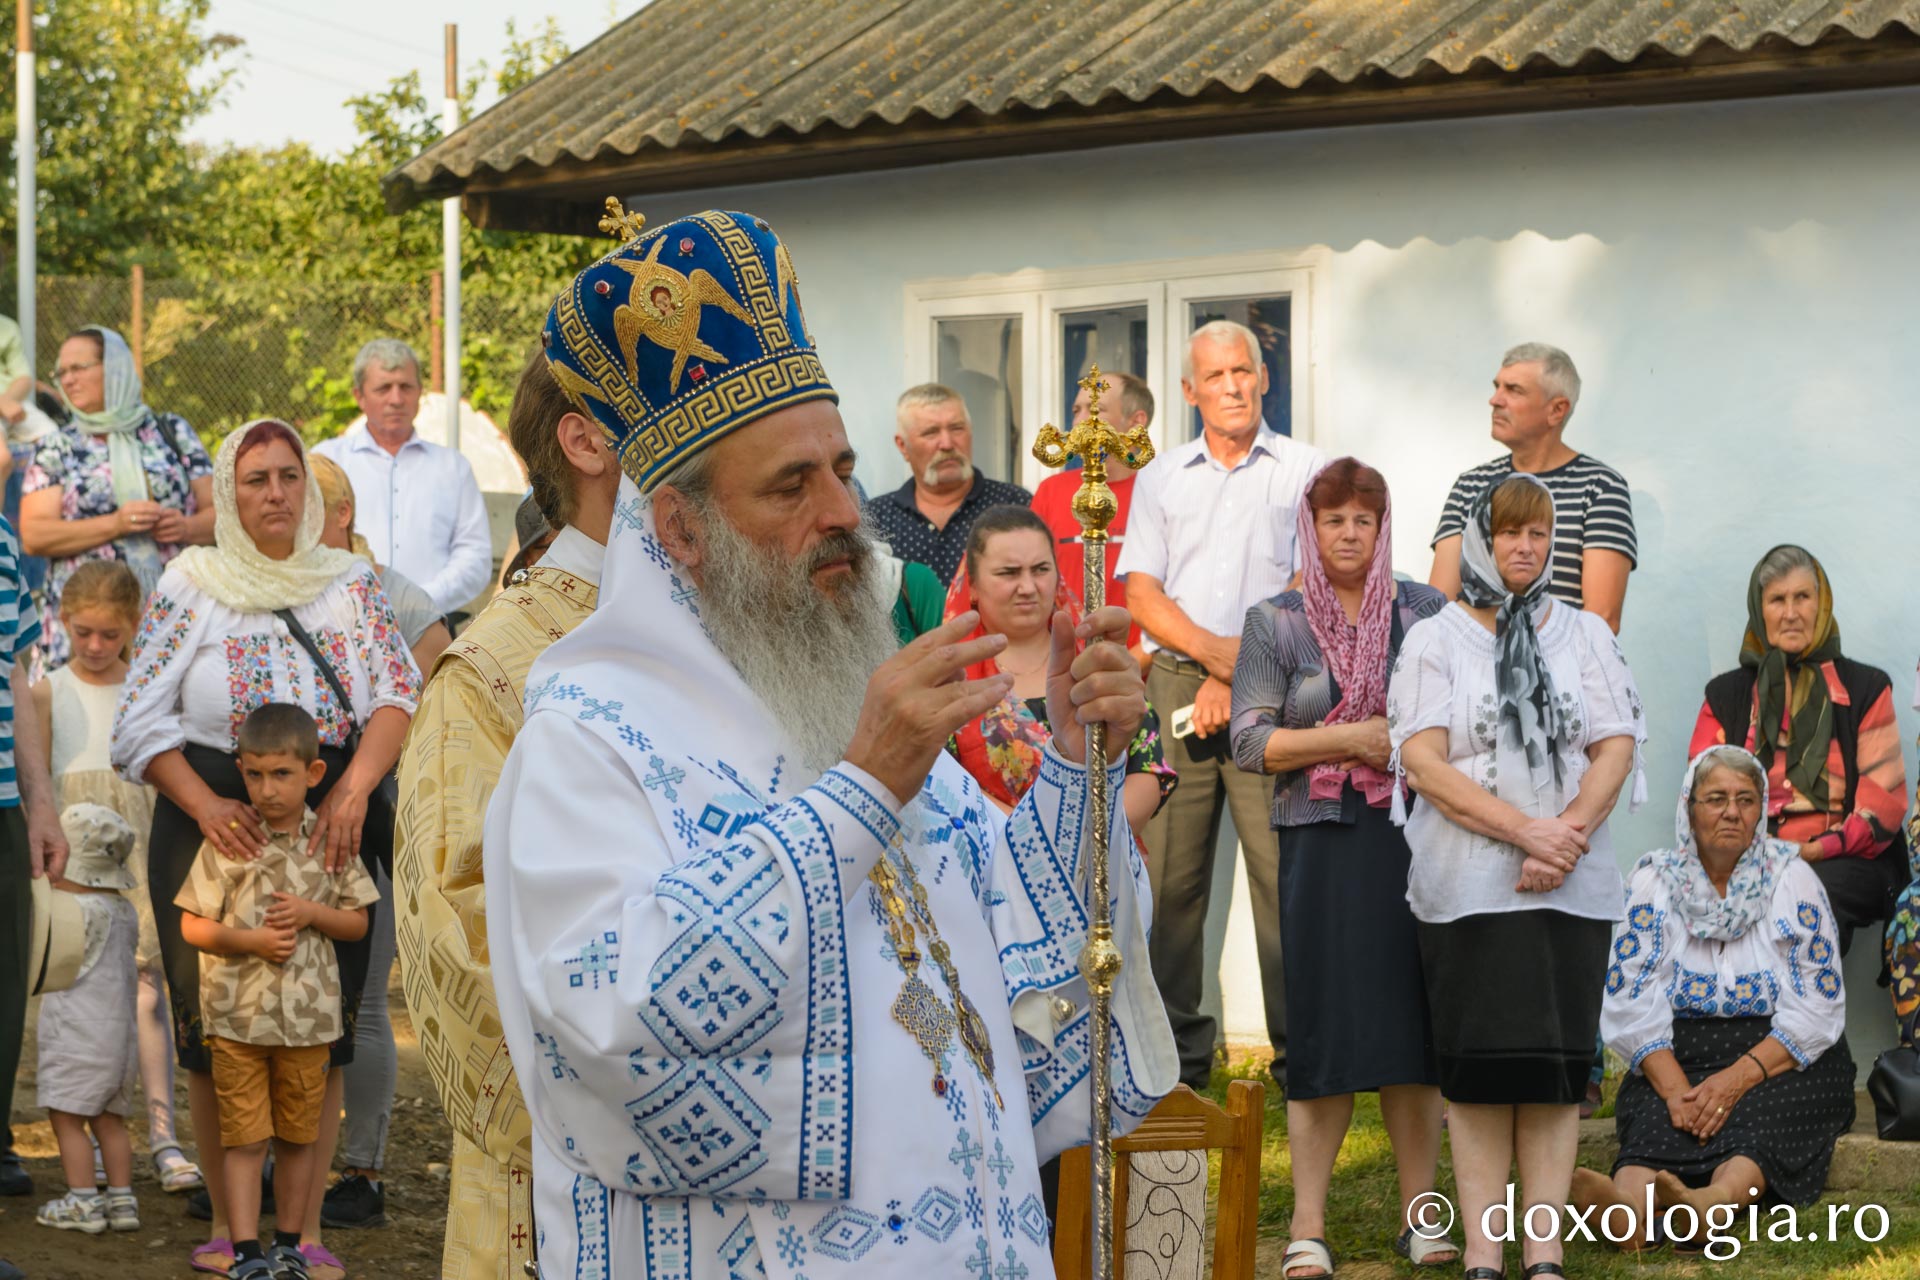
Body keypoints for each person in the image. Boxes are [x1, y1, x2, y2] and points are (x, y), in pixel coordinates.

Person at [483, 207, 1175, 1276]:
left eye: (844, 469)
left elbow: (1027, 972)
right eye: (790, 485)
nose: (846, 511)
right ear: (677, 527)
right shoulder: (591, 738)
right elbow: (614, 1030)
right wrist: (859, 793)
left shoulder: (841, 702)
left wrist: (1078, 766)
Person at [111, 418, 420, 1278]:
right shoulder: (188, 582)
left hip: (331, 822)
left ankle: (306, 1228)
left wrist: (352, 789)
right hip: (213, 821)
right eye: (255, 480)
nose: (276, 493)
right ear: (228, 493)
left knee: (321, 1033)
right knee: (216, 1032)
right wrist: (208, 803)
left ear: (312, 492)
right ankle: (228, 1226)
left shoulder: (350, 584)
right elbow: (139, 720)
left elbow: (398, 690)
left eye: (289, 476)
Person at [394, 347, 619, 1280]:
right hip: (575, 1186)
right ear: (588, 441)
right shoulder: (495, 670)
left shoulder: (742, 629)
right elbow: (462, 940)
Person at [1387, 473, 1646, 1280]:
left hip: (1568, 891)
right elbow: (1423, 761)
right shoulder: (1435, 638)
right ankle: (1482, 1253)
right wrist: (1522, 830)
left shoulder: (1586, 636)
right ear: (1480, 540)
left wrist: (1561, 838)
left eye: (1540, 533)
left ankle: (1543, 1253)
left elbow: (1616, 743)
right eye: (1510, 533)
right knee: (1478, 1079)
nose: (1526, 548)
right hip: (1465, 892)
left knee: (1552, 1076)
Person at [1229, 459, 1453, 1277]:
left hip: (1412, 839)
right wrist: (1348, 740)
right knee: (1320, 1031)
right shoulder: (1277, 621)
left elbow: (1453, 721)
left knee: (1412, 1031)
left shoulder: (1425, 610)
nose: (1351, 534)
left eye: (1366, 519)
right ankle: (1309, 1226)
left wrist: (1398, 743)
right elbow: (1248, 742)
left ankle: (1421, 1219)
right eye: (1335, 521)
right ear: (1311, 529)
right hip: (1318, 841)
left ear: (1384, 525)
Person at [1117, 318, 1327, 1090]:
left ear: (1264, 377)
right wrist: (1212, 661)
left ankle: (1301, 1053)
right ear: (1189, 391)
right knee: (1171, 882)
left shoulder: (1308, 471)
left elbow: (1313, 585)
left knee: (1281, 874)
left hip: (1274, 689)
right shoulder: (1162, 476)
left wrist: (1236, 673)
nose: (1232, 387)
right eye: (1216, 377)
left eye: (1243, 371)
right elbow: (1142, 590)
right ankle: (1176, 1061)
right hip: (1176, 686)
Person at [1573, 745, 1854, 1246]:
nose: (1731, 811)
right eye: (1716, 798)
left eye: (1746, 800)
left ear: (1760, 811)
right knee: (1659, 1117)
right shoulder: (1653, 882)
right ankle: (1625, 1209)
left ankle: (1711, 1205)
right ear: (1690, 809)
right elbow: (1629, 995)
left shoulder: (1793, 880)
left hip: (1779, 1054)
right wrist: (1678, 1091)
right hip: (1676, 1052)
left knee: (1763, 1116)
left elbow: (1818, 1002)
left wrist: (1735, 1079)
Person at [175, 703, 380, 1280]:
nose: (268, 790)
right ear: (240, 769)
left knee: (298, 1138)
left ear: (314, 774)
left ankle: (291, 1246)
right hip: (239, 1024)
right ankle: (245, 1253)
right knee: (244, 1141)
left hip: (309, 1028)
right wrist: (251, 941)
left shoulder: (331, 841)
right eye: (256, 774)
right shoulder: (228, 840)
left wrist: (314, 912)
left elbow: (359, 923)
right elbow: (192, 925)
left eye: (282, 774)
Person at [28, 559, 202, 1194]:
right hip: (76, 867)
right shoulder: (48, 691)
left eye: (109, 635)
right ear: (64, 623)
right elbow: (39, 776)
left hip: (139, 850)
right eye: (83, 634)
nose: (96, 647)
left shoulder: (148, 689)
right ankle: (93, 1128)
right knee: (79, 997)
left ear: (134, 626)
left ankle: (162, 1134)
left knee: (146, 988)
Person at [1689, 544, 1908, 959]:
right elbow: (1704, 800)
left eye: (1802, 597)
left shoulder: (1865, 689)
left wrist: (1809, 852)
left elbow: (1883, 810)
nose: (1791, 612)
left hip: (1844, 859)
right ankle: (1746, 1021)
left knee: (1808, 892)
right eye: (1777, 599)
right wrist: (1757, 856)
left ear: (1821, 605)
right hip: (1744, 857)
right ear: (1760, 609)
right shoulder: (1726, 695)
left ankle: (1808, 1021)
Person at [943, 504, 1175, 828]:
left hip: (1104, 859)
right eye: (1008, 573)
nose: (1027, 587)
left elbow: (1146, 765)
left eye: (1040, 569)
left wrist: (1090, 839)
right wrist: (1039, 842)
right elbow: (946, 787)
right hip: (996, 862)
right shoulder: (951, 681)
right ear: (974, 586)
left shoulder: (1093, 658)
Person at [20, 325, 215, 666]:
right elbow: (35, 534)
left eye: (78, 368)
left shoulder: (171, 431)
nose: (67, 380)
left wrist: (185, 528)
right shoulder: (57, 446)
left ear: (115, 368)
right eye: (61, 372)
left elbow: (220, 516)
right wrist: (116, 524)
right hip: (85, 632)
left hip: (173, 618)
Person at [1428, 342, 1636, 633]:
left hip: (1561, 671)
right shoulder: (1470, 485)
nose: (1495, 400)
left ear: (1556, 410)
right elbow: (1440, 606)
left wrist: (1523, 666)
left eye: (1513, 390)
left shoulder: (1601, 488)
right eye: (1497, 386)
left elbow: (1601, 619)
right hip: (1471, 667)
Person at [311, 338, 492, 617]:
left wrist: (417, 602)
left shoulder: (453, 468)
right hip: (343, 620)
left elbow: (475, 557)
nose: (396, 399)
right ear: (359, 396)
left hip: (431, 625)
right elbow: (306, 541)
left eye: (405, 387)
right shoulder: (327, 462)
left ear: (420, 392)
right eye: (384, 388)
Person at [32, 804, 143, 1237]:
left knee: (66, 1118)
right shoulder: (123, 912)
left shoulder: (74, 912)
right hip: (120, 1040)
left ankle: (82, 1201)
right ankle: (121, 1198)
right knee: (109, 1121)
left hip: (77, 1035)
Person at [0, 510, 69, 1210]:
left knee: (3, 1002)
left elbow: (13, 669)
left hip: (2, 810)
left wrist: (40, 802)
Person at [1029, 369, 1152, 654]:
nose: (1082, 420)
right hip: (1061, 662)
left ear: (1136, 422)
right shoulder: (1051, 491)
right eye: (1076, 410)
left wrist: (1131, 664)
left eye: (1097, 408)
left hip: (1147, 669)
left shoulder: (1163, 491)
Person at [864, 382, 1031, 585]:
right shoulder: (876, 519)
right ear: (902, 446)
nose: (947, 444)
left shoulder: (1015, 505)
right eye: (930, 432)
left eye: (957, 428)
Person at [309, 453, 450, 674]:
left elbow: (436, 705)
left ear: (343, 513)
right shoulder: (275, 595)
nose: (291, 531)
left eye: (306, 514)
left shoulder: (407, 605)